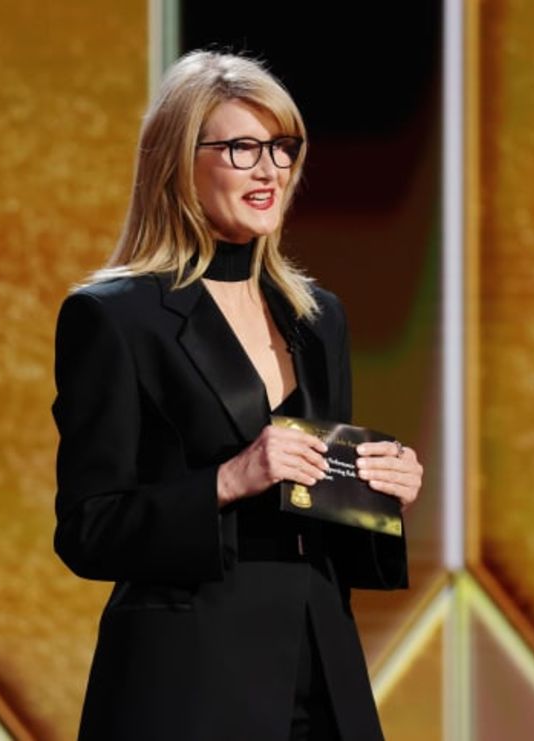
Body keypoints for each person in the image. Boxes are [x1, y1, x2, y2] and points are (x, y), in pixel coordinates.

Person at [50, 50, 423, 741]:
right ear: (178, 161)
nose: (270, 169)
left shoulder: (316, 315)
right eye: (242, 147)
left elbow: (316, 508)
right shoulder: (116, 316)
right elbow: (87, 529)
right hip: (191, 684)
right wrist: (228, 479)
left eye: (283, 147)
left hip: (323, 672)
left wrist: (377, 492)